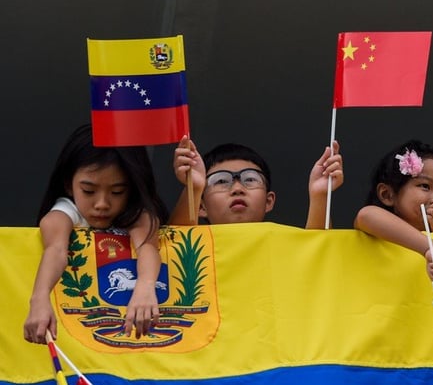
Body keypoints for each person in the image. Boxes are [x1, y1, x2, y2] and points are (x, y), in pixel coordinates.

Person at [23, 124, 168, 344]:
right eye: (89, 191)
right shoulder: (65, 213)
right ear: (68, 185)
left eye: (117, 192)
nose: (102, 204)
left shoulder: (138, 215)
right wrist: (40, 298)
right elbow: (56, 249)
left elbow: (147, 246)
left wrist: (146, 286)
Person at [169, 137, 342, 227]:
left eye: (250, 179)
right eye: (221, 180)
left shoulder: (281, 244)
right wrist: (193, 189)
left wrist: (320, 196)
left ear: (269, 201)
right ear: (200, 207)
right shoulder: (195, 253)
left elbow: (318, 255)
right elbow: (175, 245)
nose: (237, 188)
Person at [354, 140, 433, 279]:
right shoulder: (376, 226)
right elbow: (366, 215)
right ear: (387, 195)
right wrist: (428, 248)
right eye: (425, 186)